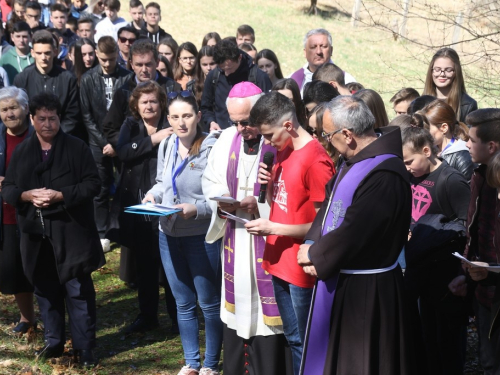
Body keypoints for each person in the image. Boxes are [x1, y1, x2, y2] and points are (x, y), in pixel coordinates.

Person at [297, 95, 415, 375]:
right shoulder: (352, 159)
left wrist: (316, 254)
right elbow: (329, 204)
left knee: (359, 362)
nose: (326, 141)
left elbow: (357, 228)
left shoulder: (385, 172)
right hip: (340, 275)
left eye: (328, 135)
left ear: (347, 135)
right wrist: (313, 243)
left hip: (368, 291)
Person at [2, 92, 104, 367]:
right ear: (32, 119)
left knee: (78, 291)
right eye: (42, 119)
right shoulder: (23, 151)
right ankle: (54, 341)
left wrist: (61, 195)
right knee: (45, 290)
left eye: (53, 118)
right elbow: (9, 188)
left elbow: (92, 184)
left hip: (72, 232)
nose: (48, 124)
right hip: (36, 234)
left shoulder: (76, 147)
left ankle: (85, 348)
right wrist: (26, 196)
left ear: (60, 118)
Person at [202, 82, 291, 375]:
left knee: (268, 318)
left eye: (247, 121)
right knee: (238, 311)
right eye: (235, 122)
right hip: (236, 240)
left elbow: (289, 193)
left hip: (269, 239)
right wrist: (221, 203)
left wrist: (261, 205)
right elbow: (210, 178)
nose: (241, 129)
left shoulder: (278, 140)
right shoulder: (226, 139)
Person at [244, 92, 335, 375]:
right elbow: (283, 205)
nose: (267, 143)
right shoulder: (282, 151)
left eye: (269, 135)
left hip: (301, 267)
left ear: (287, 126)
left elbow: (326, 225)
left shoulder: (316, 160)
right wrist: (269, 188)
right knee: (294, 339)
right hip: (280, 259)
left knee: (307, 342)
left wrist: (273, 228)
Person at [143, 91, 221, 375]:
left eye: (187, 116)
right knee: (183, 301)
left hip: (200, 235)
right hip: (168, 234)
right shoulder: (167, 145)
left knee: (209, 303)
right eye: (175, 117)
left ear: (198, 117)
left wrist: (197, 209)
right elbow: (162, 180)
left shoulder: (212, 148)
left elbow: (220, 197)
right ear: (168, 119)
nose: (181, 122)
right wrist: (152, 196)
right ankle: (191, 362)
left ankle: (210, 364)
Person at [402, 125, 470, 375]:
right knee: (424, 336)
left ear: (427, 150)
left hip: (445, 273)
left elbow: (465, 225)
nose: (407, 167)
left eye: (409, 161)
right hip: (417, 269)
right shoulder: (409, 176)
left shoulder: (451, 180)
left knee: (447, 341)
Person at [114, 81, 178, 334]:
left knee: (171, 264)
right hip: (139, 203)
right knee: (145, 264)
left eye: (153, 101)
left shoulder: (172, 123)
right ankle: (148, 315)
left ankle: (177, 317)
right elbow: (122, 152)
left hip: (168, 202)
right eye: (144, 102)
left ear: (161, 103)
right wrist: (152, 139)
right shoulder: (131, 125)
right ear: (136, 106)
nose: (149, 106)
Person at [448, 109, 500, 374]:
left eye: (472, 139)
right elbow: (475, 230)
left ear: (491, 146)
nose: (466, 144)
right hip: (484, 292)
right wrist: (466, 273)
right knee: (488, 361)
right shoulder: (479, 176)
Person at [80, 35, 129, 250]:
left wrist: (117, 143)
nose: (108, 64)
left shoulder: (127, 78)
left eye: (111, 59)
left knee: (124, 186)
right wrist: (103, 142)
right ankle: (102, 231)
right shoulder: (88, 78)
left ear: (117, 54)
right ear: (97, 56)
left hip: (122, 142)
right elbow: (86, 115)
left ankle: (121, 228)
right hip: (96, 143)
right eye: (103, 60)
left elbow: (131, 113)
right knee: (99, 188)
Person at [0, 87, 35, 335]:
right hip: (6, 215)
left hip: (34, 212)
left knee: (37, 266)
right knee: (13, 267)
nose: (9, 113)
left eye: (13, 107)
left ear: (25, 108)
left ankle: (54, 317)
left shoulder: (37, 135)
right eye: (4, 109)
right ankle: (27, 318)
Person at [103, 39, 181, 149]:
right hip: (135, 159)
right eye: (139, 65)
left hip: (168, 153)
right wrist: (129, 145)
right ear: (131, 64)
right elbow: (110, 128)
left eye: (148, 64)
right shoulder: (123, 92)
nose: (144, 69)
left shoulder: (173, 88)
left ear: (157, 62)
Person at [14, 30, 82, 138]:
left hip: (62, 138)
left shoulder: (68, 79)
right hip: (31, 138)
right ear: (32, 53)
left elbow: (72, 113)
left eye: (47, 53)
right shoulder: (22, 79)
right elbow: (20, 112)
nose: (43, 58)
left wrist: (57, 134)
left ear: (55, 52)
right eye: (39, 53)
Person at [200, 39, 272, 132]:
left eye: (230, 68)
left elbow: (269, 110)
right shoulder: (214, 76)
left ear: (239, 58)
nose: (226, 73)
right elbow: (206, 107)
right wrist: (211, 122)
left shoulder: (258, 77)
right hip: (222, 133)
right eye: (222, 69)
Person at [420, 99, 474, 180]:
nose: (423, 133)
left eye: (427, 129)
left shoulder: (463, 158)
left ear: (444, 128)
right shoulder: (430, 150)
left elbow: (466, 190)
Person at [290, 29, 355, 95]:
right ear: (305, 52)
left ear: (331, 50)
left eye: (323, 46)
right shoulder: (292, 80)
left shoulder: (347, 80)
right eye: (313, 47)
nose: (318, 52)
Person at [423, 48, 477, 123]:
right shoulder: (421, 102)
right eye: (437, 69)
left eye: (448, 70)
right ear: (431, 71)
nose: (442, 74)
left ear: (456, 72)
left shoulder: (468, 105)